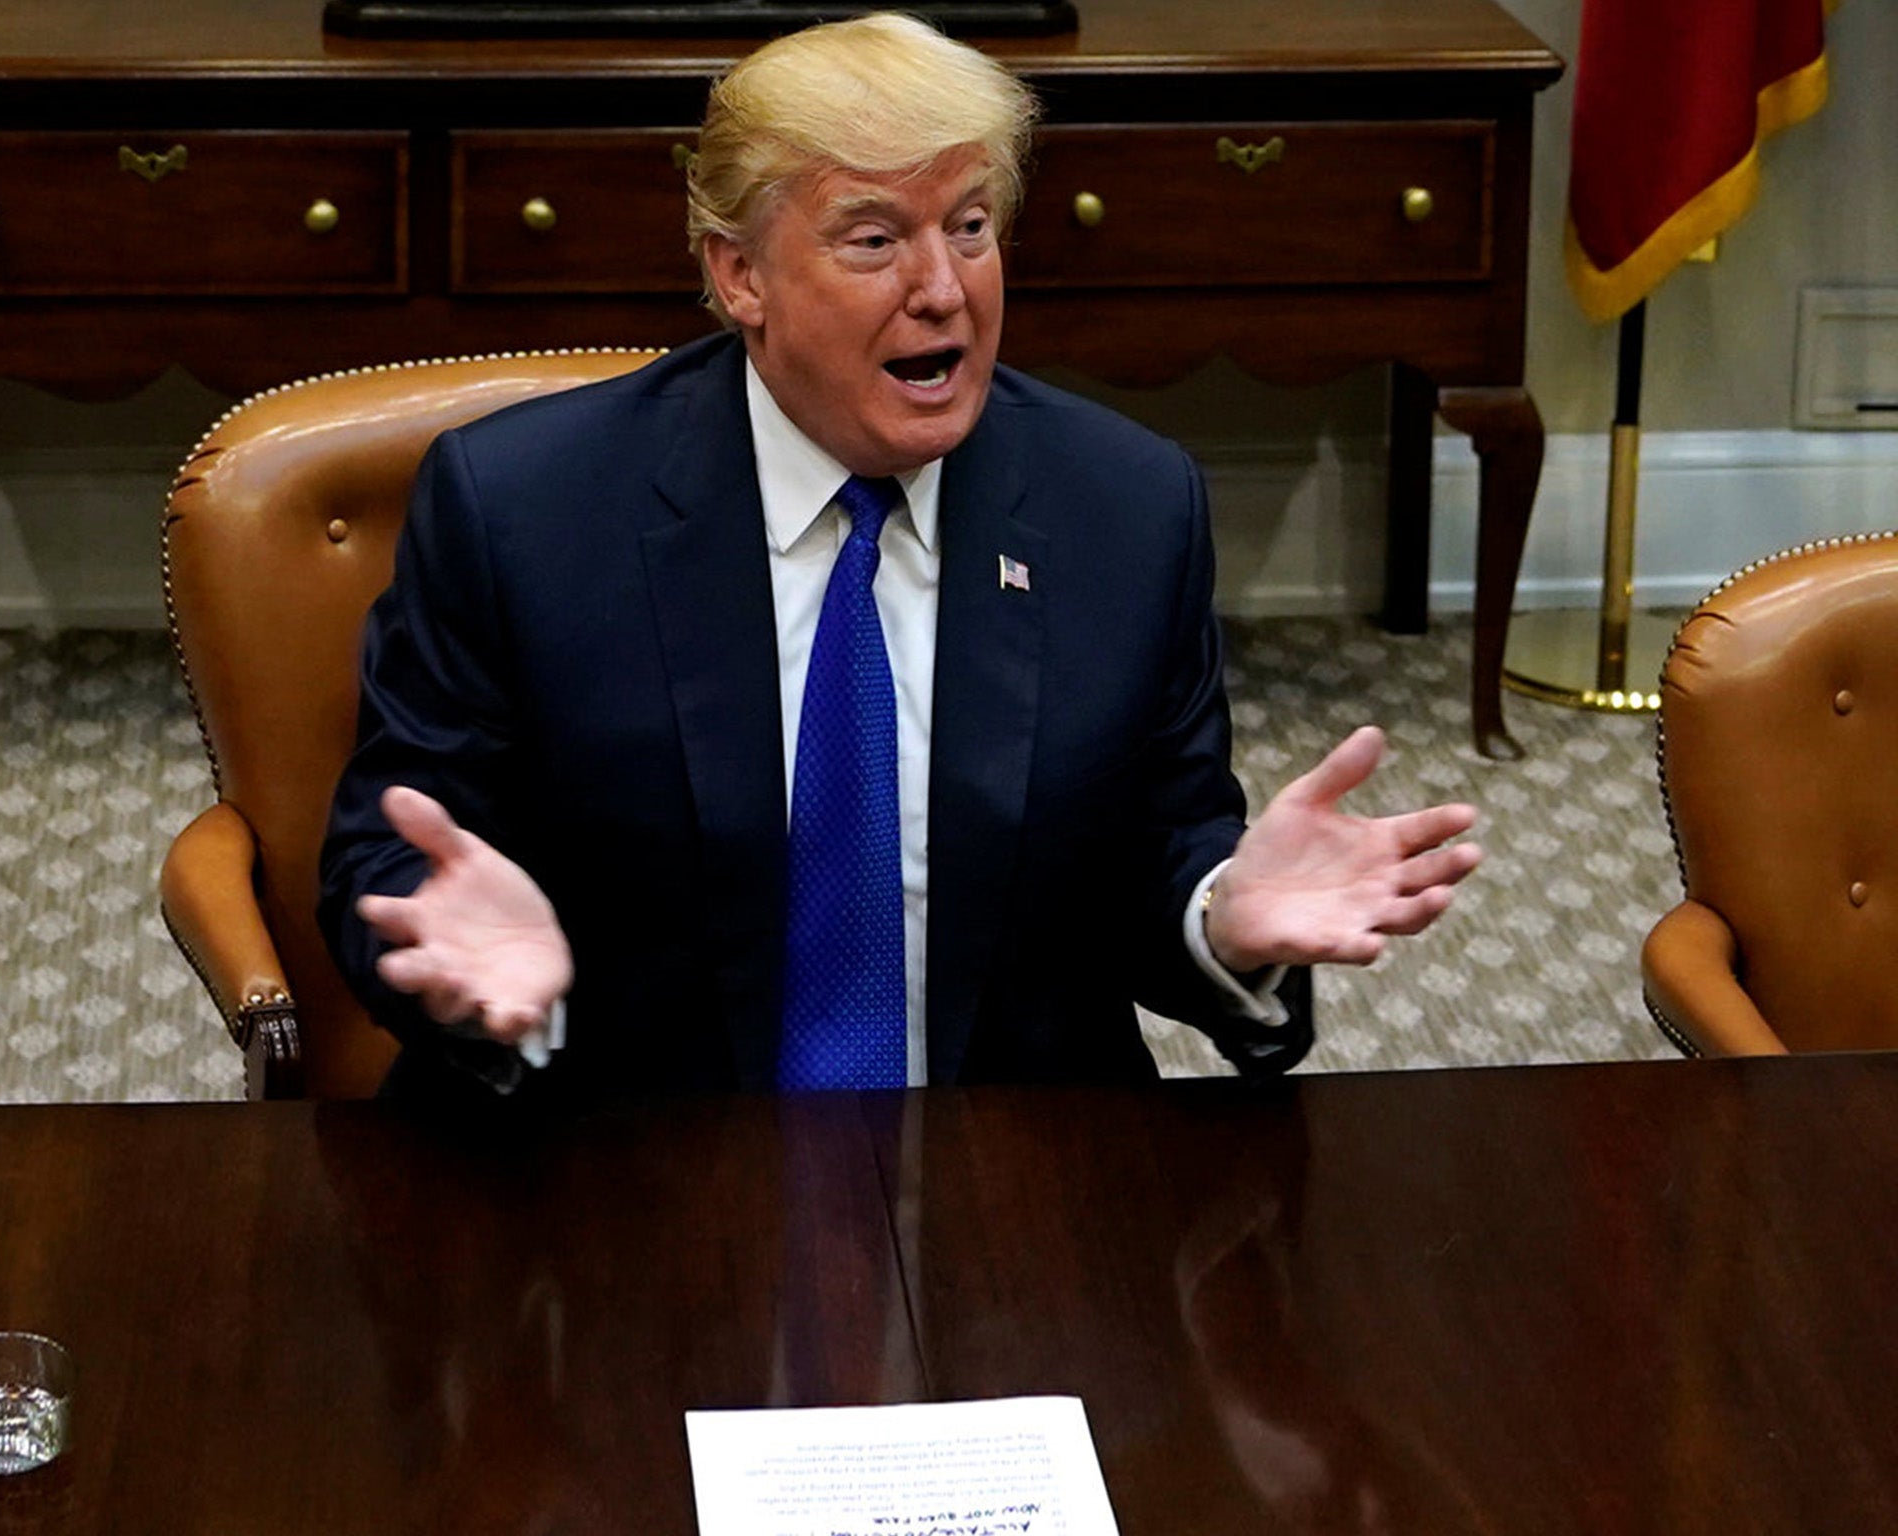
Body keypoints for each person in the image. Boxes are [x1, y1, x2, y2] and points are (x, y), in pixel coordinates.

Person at [318, 12, 1481, 1107]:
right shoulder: (524, 508)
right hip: (630, 1166)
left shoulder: (1121, 508)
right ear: (740, 277)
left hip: (1007, 1179)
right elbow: (390, 843)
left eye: (969, 227)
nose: (942, 290)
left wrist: (1218, 912)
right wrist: (451, 948)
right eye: (873, 240)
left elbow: (1151, 852)